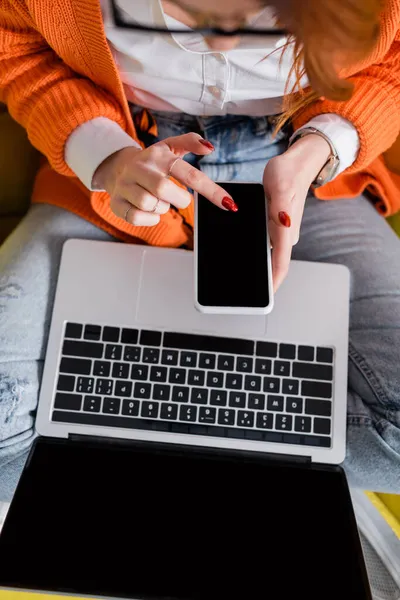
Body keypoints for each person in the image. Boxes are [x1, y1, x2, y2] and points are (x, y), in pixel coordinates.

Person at [0, 0, 399, 501]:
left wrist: (323, 145)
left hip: (308, 172)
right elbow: (16, 48)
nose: (221, 45)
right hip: (123, 157)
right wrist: (106, 156)